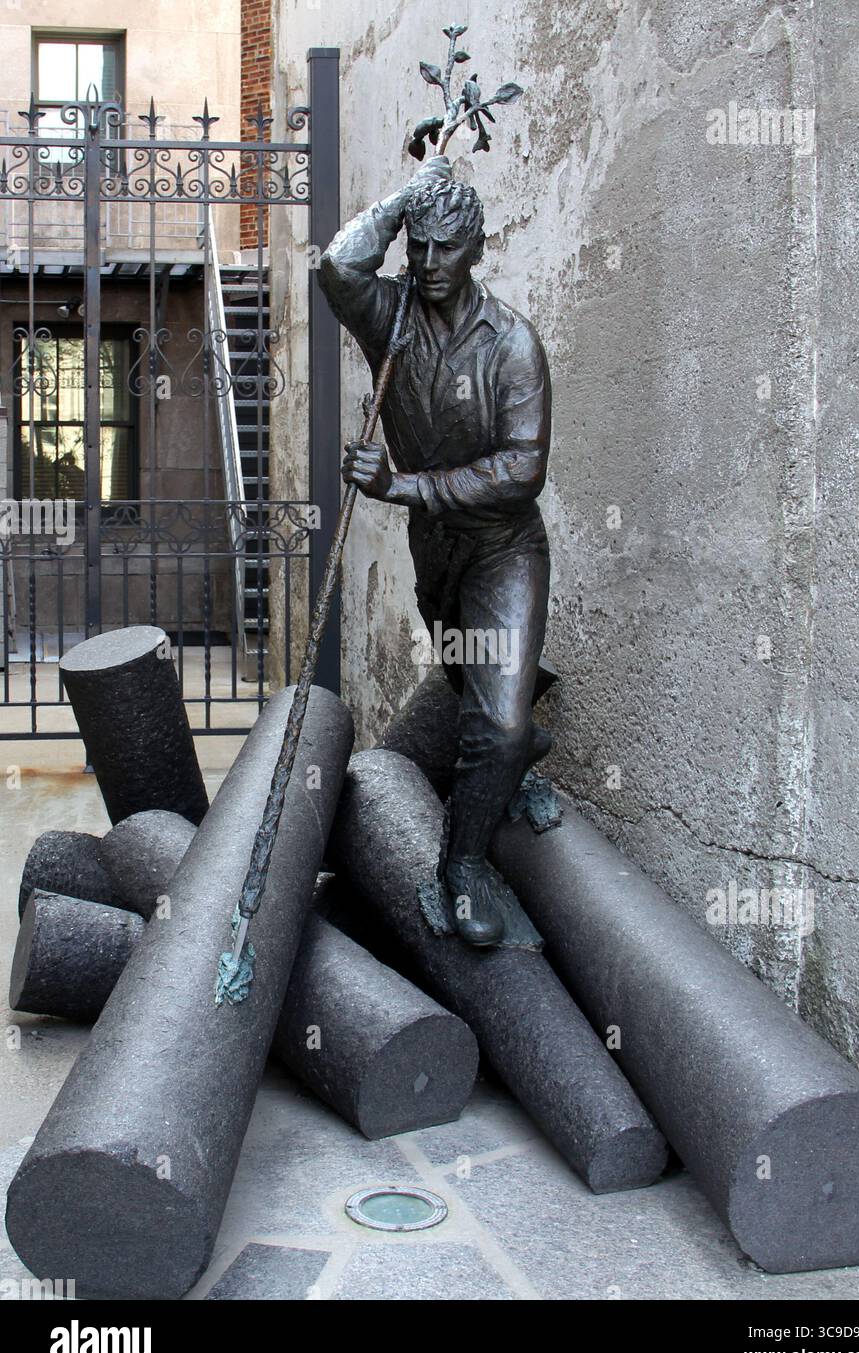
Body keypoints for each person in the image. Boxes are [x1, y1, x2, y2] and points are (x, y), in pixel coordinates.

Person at [319, 154, 552, 947]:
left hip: (500, 548)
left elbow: (523, 471)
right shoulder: (390, 319)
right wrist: (402, 200)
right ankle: (506, 755)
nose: (424, 264)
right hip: (437, 548)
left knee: (498, 725)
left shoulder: (512, 344)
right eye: (416, 246)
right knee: (460, 669)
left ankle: (462, 866)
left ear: (477, 249)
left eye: (444, 248)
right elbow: (337, 265)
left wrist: (403, 486)